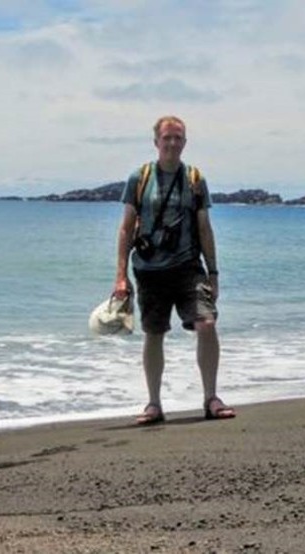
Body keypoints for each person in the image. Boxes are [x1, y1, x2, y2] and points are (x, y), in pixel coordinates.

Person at [113, 115, 236, 425]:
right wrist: (120, 276)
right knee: (154, 333)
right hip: (149, 271)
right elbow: (126, 229)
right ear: (156, 142)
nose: (172, 143)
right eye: (166, 137)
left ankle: (211, 398)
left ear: (184, 142)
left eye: (177, 138)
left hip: (188, 268)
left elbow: (205, 228)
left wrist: (214, 273)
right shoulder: (139, 177)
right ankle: (153, 404)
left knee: (206, 323)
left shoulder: (195, 179)